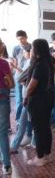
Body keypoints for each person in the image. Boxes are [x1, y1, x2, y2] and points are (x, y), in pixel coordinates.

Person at [24, 39, 55, 166]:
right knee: (46, 127)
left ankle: (40, 157)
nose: (31, 50)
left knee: (38, 129)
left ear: (36, 50)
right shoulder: (49, 62)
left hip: (37, 100)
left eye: (32, 48)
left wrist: (26, 96)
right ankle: (47, 155)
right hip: (47, 98)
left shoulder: (39, 65)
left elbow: (32, 85)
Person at [10, 44, 35, 152]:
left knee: (23, 122)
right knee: (29, 121)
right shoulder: (29, 63)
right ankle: (31, 140)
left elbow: (21, 77)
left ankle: (15, 146)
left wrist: (23, 81)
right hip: (28, 95)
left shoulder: (32, 64)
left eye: (25, 52)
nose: (24, 54)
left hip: (29, 97)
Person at [0, 38, 15, 174]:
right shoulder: (3, 63)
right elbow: (12, 84)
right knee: (3, 132)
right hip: (2, 98)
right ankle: (6, 165)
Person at [11, 30, 31, 124]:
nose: (20, 41)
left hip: (28, 75)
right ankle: (19, 119)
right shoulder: (16, 48)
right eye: (18, 39)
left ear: (26, 37)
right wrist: (14, 69)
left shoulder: (31, 47)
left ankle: (27, 117)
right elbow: (14, 61)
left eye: (22, 38)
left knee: (27, 97)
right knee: (18, 98)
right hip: (18, 75)